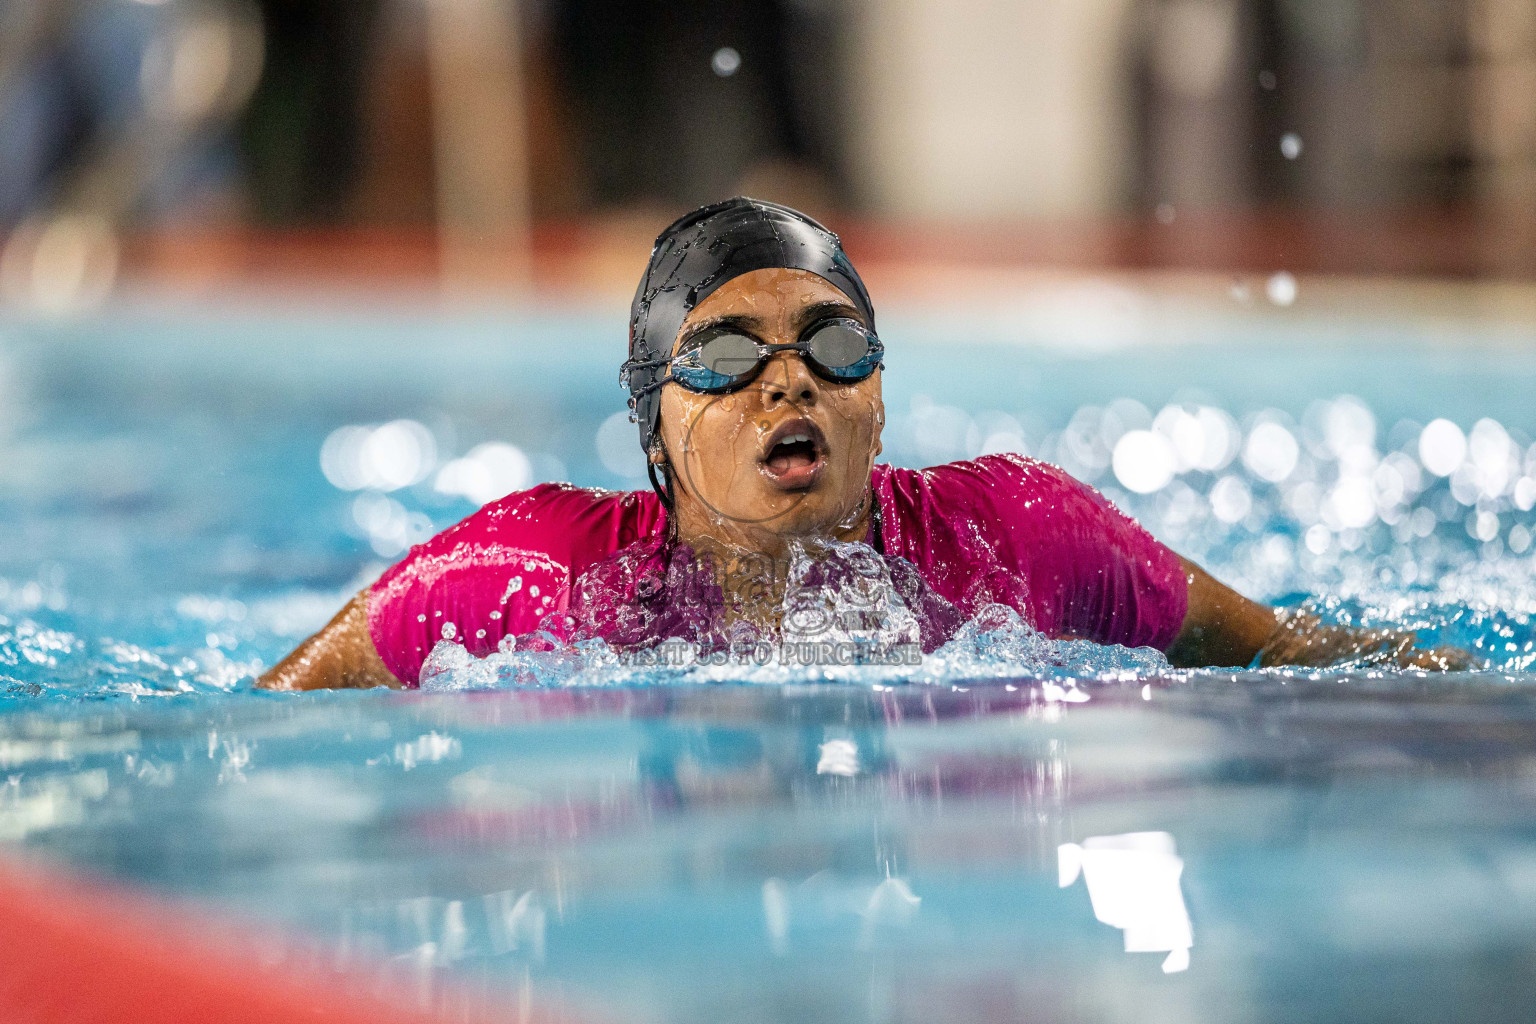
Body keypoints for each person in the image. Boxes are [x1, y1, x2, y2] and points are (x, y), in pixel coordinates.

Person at [259, 198, 1466, 690]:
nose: (790, 381)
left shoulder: (1015, 535)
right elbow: (273, 708)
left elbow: (1286, 655)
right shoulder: (539, 571)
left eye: (833, 346)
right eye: (728, 357)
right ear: (657, 428)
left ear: (878, 401)